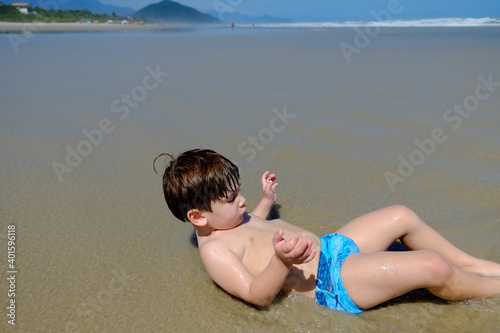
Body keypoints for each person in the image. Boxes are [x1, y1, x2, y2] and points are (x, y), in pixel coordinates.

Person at [154, 149, 500, 313]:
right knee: (429, 266)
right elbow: (256, 295)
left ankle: (475, 264)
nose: (241, 201)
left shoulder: (229, 219)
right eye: (231, 199)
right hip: (331, 281)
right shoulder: (215, 252)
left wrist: (265, 201)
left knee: (400, 214)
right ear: (198, 217)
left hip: (334, 247)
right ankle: (490, 287)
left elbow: (252, 223)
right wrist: (280, 260)